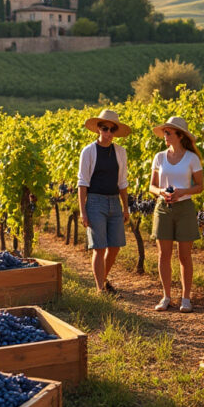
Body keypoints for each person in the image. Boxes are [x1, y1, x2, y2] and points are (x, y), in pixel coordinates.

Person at [149, 116, 204, 313]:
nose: (165, 135)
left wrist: (182, 192)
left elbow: (199, 186)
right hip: (163, 208)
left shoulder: (192, 158)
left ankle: (186, 298)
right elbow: (152, 186)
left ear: (180, 136)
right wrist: (161, 193)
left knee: (184, 255)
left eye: (169, 133)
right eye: (164, 132)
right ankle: (166, 297)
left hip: (184, 208)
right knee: (163, 254)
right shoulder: (159, 157)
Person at [77, 109, 131, 295]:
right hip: (95, 202)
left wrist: (126, 207)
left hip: (114, 201)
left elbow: (122, 182)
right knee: (99, 247)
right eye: (105, 128)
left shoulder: (120, 152)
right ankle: (101, 289)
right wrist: (83, 211)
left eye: (112, 129)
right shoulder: (89, 151)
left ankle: (103, 279)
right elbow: (82, 183)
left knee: (115, 246)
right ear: (98, 129)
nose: (108, 133)